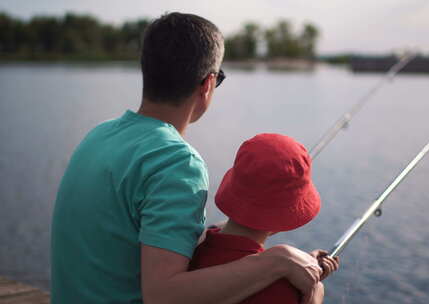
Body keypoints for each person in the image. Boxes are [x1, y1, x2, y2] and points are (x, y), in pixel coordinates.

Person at [51, 12, 326, 304]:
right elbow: (164, 296)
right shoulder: (176, 163)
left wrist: (221, 235)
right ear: (207, 84)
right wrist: (276, 261)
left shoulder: (99, 135)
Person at [190, 133, 340, 304]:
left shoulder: (193, 246)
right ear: (287, 214)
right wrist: (314, 295)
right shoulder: (283, 291)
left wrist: (303, 265)